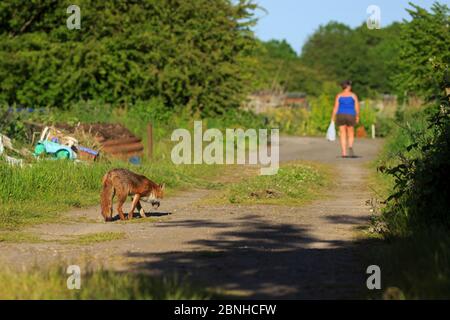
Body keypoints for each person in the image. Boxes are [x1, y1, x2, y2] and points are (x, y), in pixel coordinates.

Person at [331, 80, 360, 158]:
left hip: (341, 115)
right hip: (351, 115)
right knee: (350, 132)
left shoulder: (339, 96)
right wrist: (357, 116)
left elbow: (335, 107)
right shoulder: (353, 95)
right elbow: (356, 107)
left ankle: (344, 152)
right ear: (348, 86)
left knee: (342, 133)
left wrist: (332, 118)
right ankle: (350, 146)